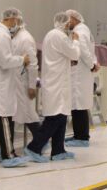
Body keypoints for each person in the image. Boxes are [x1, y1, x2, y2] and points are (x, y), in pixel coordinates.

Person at [24, 12, 81, 162]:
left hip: (56, 81)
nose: (70, 25)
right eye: (69, 23)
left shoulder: (51, 34)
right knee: (55, 118)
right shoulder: (60, 36)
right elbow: (74, 54)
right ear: (64, 23)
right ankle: (34, 148)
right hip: (57, 83)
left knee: (61, 117)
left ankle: (58, 150)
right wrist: (75, 41)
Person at [0, 8, 31, 168]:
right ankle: (9, 155)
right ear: (11, 19)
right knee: (2, 118)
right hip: (0, 85)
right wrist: (22, 59)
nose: (16, 24)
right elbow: (5, 61)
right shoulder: (1, 35)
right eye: (16, 20)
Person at [65, 10, 99, 147]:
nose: (67, 23)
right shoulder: (84, 29)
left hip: (80, 73)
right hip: (81, 73)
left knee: (78, 105)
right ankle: (79, 135)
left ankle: (82, 138)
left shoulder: (80, 31)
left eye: (68, 20)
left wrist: (92, 65)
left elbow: (84, 50)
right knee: (78, 105)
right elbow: (91, 50)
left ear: (73, 19)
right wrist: (94, 63)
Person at [9, 9, 41, 150]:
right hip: (14, 83)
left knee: (29, 114)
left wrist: (32, 86)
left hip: (23, 83)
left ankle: (41, 143)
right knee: (13, 114)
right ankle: (7, 145)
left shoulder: (25, 38)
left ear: (17, 22)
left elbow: (33, 64)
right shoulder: (15, 37)